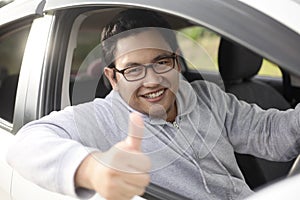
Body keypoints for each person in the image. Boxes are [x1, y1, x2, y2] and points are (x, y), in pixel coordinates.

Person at [6, 9, 300, 200]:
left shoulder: (206, 96)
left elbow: (272, 133)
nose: (152, 81)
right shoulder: (102, 117)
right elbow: (25, 144)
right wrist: (91, 170)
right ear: (112, 77)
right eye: (133, 69)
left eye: (161, 62)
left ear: (177, 62)